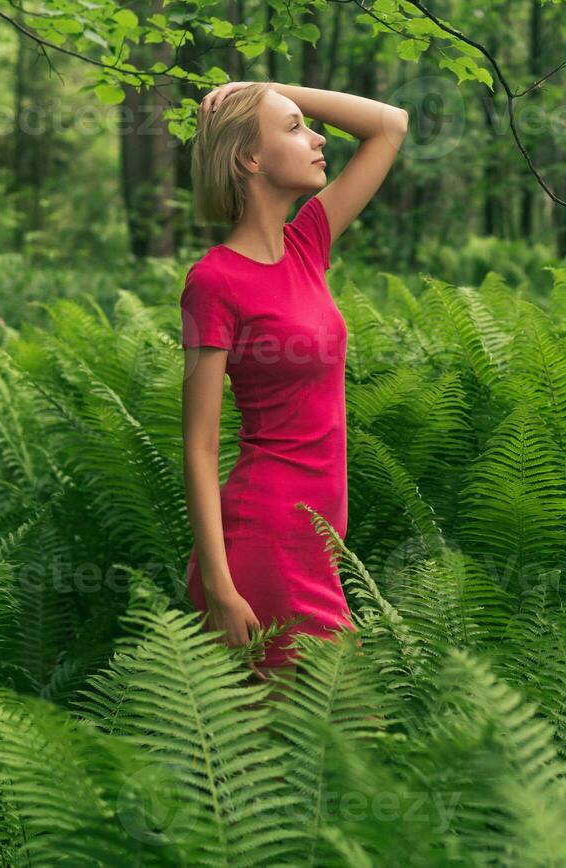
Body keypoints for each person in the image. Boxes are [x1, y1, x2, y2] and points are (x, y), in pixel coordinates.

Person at [180, 79, 408, 685]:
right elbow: (200, 448)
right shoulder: (214, 281)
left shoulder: (307, 244)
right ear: (250, 159)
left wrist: (265, 88)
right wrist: (222, 585)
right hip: (266, 541)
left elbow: (388, 125)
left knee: (303, 758)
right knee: (338, 739)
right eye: (293, 127)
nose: (316, 139)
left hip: (320, 542)